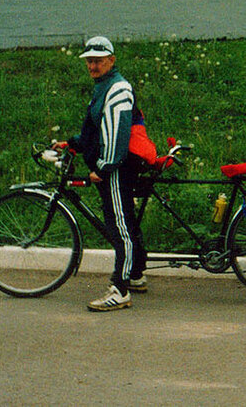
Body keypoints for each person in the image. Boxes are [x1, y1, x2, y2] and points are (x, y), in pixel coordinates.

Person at [67, 35, 147, 312]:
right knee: (125, 222)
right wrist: (73, 143)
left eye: (98, 61)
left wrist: (103, 167)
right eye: (89, 61)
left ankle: (120, 289)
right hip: (113, 166)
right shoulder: (103, 86)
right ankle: (135, 274)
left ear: (111, 60)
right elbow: (98, 128)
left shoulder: (117, 88)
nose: (92, 66)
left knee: (119, 225)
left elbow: (116, 135)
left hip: (116, 169)